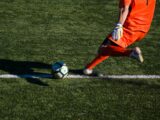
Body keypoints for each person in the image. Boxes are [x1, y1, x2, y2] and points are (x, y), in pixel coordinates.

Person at [83, 0, 156, 76]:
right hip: (144, 29)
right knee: (112, 47)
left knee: (103, 48)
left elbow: (125, 8)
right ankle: (88, 69)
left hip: (131, 29)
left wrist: (119, 25)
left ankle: (131, 53)